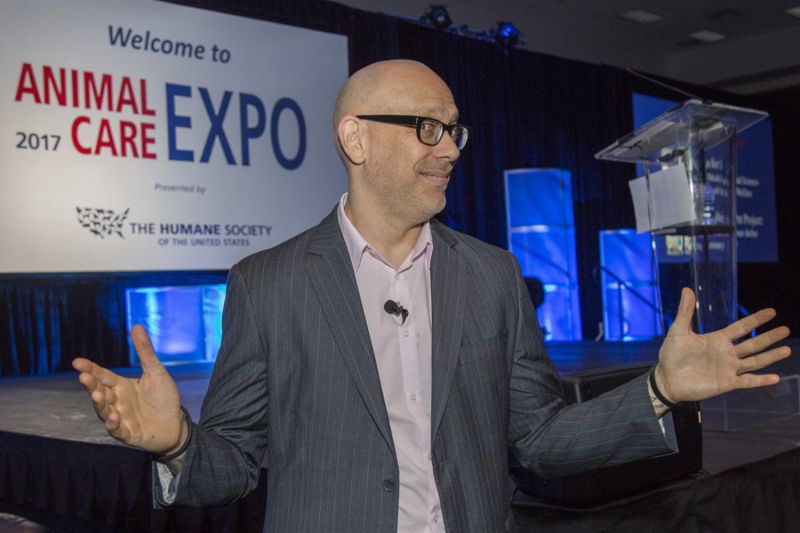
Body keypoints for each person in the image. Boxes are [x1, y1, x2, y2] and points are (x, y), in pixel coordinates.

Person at [73, 60, 791, 533]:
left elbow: (538, 440)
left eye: (454, 130)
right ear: (355, 138)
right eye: (427, 128)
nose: (449, 149)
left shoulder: (492, 276)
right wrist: (177, 443)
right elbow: (231, 463)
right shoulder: (270, 282)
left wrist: (659, 390)